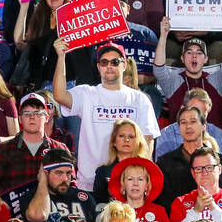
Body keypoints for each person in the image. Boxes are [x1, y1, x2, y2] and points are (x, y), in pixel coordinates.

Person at [53, 39, 160, 189]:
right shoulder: (87, 93)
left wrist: (142, 176)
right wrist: (61, 57)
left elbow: (148, 140)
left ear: (124, 65)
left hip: (126, 185)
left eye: (115, 62)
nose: (109, 66)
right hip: (89, 183)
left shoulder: (139, 99)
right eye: (104, 62)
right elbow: (59, 96)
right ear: (98, 67)